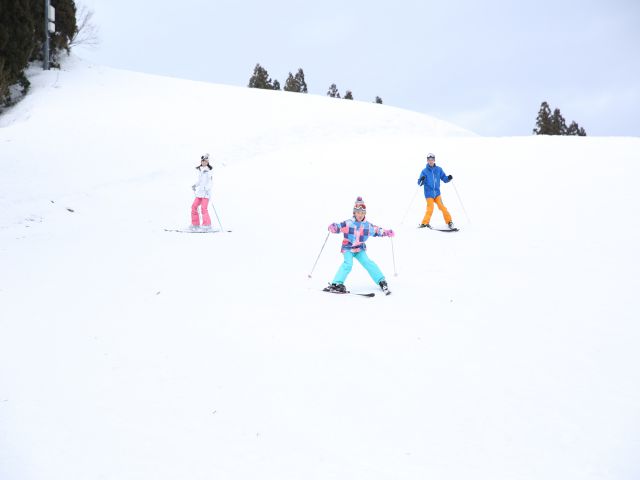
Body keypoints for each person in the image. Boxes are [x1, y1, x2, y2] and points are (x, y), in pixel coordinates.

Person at [325, 196, 394, 294]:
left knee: (368, 262)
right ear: (354, 213)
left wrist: (386, 232)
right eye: (358, 212)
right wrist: (334, 227)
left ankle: (381, 281)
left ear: (365, 213)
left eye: (362, 213)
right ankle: (336, 284)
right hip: (348, 248)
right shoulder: (348, 223)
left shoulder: (367, 226)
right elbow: (339, 227)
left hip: (359, 249)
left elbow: (377, 230)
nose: (360, 215)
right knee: (348, 264)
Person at [417, 153, 455, 229]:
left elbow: (444, 178)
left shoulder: (439, 169)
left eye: (432, 160)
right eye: (429, 160)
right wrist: (422, 179)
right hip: (429, 194)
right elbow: (419, 182)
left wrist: (448, 178)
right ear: (427, 161)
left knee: (442, 207)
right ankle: (424, 223)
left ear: (434, 160)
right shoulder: (424, 171)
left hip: (437, 194)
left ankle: (449, 222)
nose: (430, 161)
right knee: (430, 208)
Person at [191, 153, 213, 231]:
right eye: (202, 161)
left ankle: (207, 225)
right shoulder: (200, 170)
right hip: (200, 193)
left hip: (206, 194)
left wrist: (206, 188)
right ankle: (195, 224)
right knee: (194, 206)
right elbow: (200, 181)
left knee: (203, 208)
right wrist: (195, 185)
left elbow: (210, 182)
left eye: (205, 161)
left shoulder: (209, 171)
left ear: (207, 162)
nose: (204, 162)